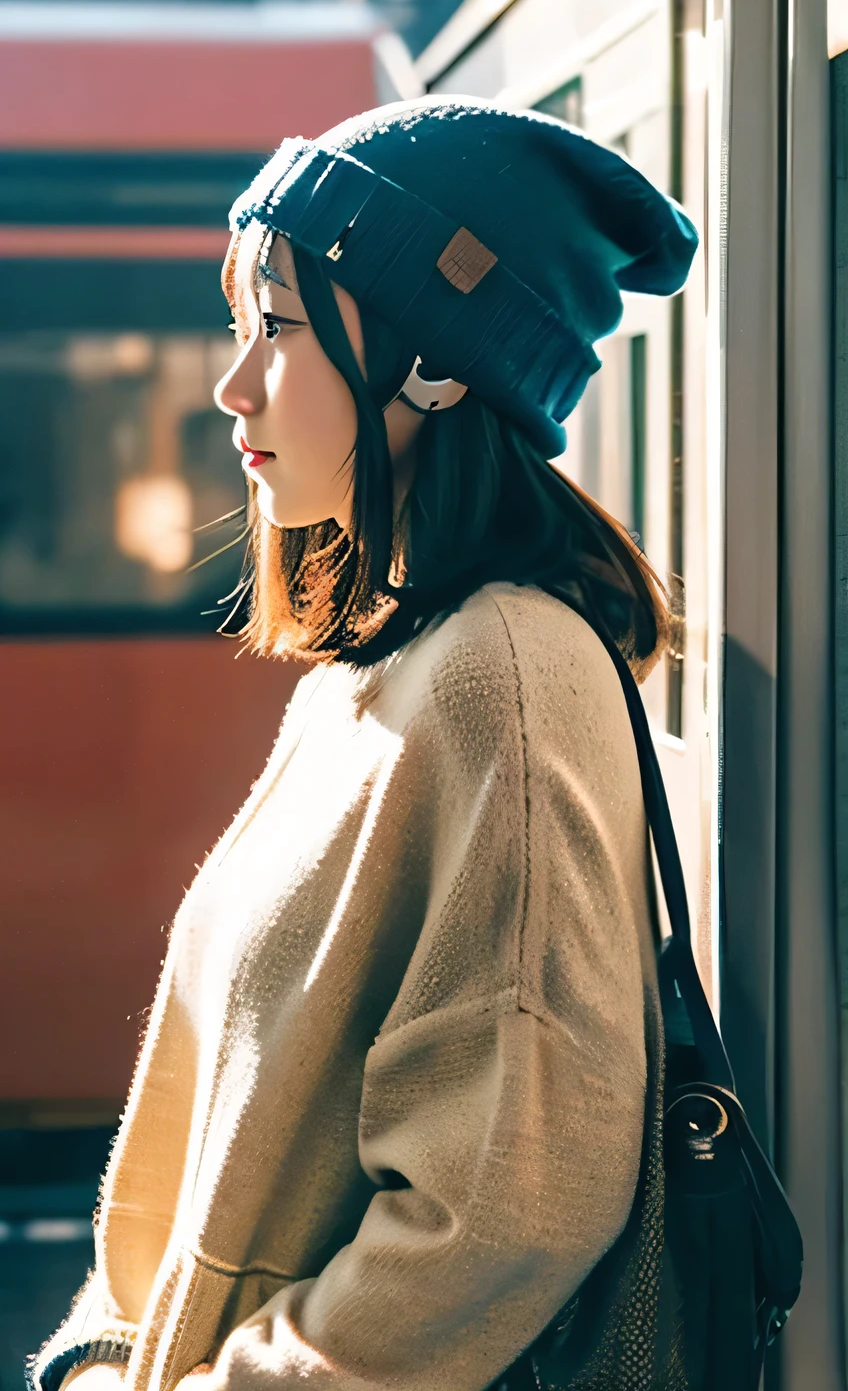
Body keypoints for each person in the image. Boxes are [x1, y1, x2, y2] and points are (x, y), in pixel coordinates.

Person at [32, 96, 698, 1391]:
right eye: (244, 327)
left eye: (276, 326)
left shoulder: (500, 677)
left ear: (438, 364)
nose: (232, 386)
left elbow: (510, 1210)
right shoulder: (386, 665)